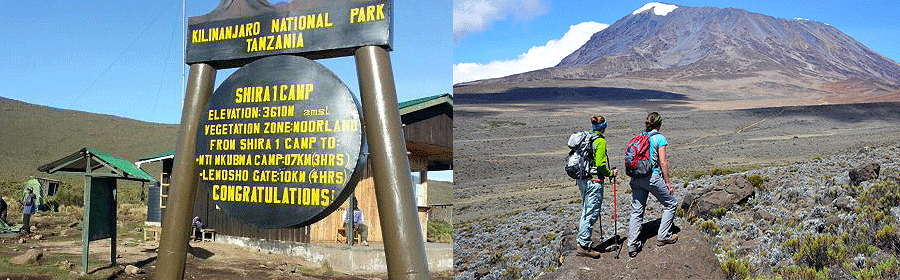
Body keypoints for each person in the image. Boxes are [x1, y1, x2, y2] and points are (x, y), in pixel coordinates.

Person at [627, 112, 678, 258]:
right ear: (660, 124)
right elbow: (663, 162)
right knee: (671, 203)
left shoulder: (640, 137)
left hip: (636, 178)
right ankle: (664, 235)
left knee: (637, 211)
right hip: (651, 177)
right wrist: (667, 182)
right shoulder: (659, 138)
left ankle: (632, 245)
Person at [575, 115, 617, 258]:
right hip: (594, 181)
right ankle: (584, 246)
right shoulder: (600, 141)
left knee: (586, 210)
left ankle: (583, 242)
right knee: (591, 213)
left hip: (583, 180)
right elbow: (600, 164)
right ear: (603, 127)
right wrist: (610, 173)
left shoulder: (587, 138)